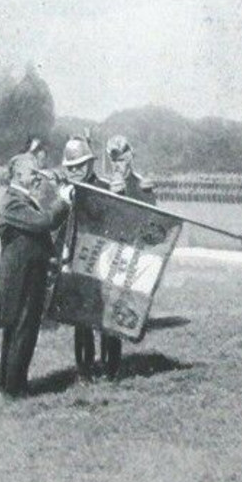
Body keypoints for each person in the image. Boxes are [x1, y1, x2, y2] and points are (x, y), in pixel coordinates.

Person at [0, 148, 69, 396]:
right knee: (22, 332)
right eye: (32, 172)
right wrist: (64, 201)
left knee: (18, 331)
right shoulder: (14, 202)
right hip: (21, 279)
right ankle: (15, 388)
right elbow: (44, 223)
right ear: (17, 175)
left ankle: (9, 384)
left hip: (25, 276)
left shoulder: (23, 199)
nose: (37, 176)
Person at [101, 134, 158, 378]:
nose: (118, 166)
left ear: (131, 158)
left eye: (122, 161)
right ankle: (107, 364)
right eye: (114, 162)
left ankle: (113, 365)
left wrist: (148, 195)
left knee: (125, 307)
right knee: (106, 307)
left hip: (133, 253)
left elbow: (152, 221)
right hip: (109, 253)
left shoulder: (141, 184)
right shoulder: (104, 185)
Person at [55, 135, 108, 379]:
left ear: (90, 165)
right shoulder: (65, 191)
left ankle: (109, 366)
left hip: (101, 260)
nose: (75, 171)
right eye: (71, 167)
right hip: (74, 258)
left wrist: (79, 198)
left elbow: (101, 215)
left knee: (104, 314)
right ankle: (84, 367)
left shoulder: (103, 188)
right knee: (80, 315)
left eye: (80, 166)